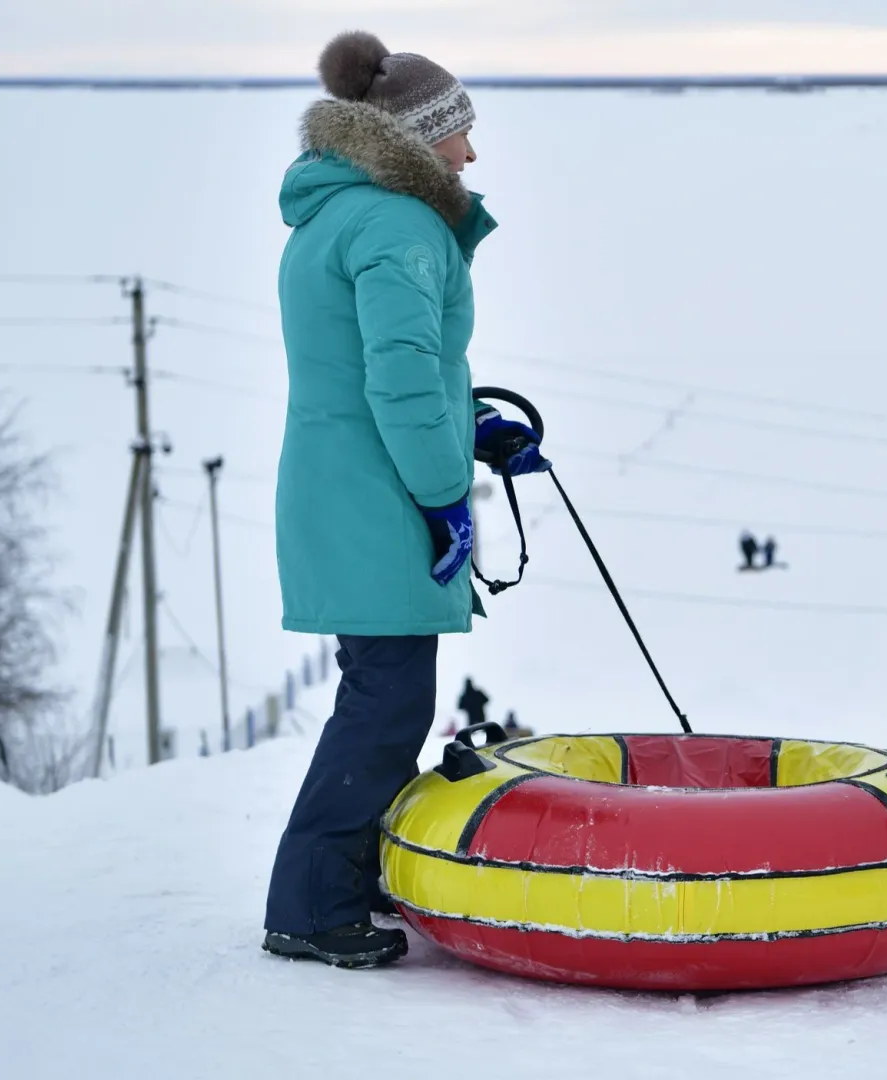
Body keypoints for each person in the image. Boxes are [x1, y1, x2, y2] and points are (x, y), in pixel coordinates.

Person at [262, 30, 547, 971]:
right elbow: (400, 379)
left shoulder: (339, 218)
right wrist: (443, 493)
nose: (471, 153)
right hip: (377, 495)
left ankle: (344, 885)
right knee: (385, 706)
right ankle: (310, 905)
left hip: (341, 485)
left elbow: (384, 371)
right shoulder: (397, 224)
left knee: (381, 696)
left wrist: (473, 425)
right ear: (418, 140)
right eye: (460, 132)